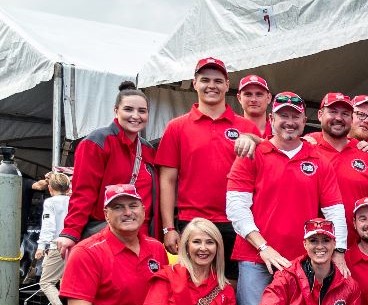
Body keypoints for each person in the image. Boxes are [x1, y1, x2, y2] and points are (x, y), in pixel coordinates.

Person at [225, 91, 346, 305]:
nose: (289, 122)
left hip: (303, 260)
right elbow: (236, 207)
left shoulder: (318, 158)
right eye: (283, 116)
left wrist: (339, 252)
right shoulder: (252, 152)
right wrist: (262, 245)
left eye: (295, 116)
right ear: (272, 119)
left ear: (302, 119)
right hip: (256, 256)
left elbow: (334, 209)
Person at [155, 57, 261, 274]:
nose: (211, 85)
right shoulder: (177, 127)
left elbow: (261, 174)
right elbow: (167, 180)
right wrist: (169, 228)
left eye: (218, 80)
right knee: (194, 287)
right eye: (205, 80)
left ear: (227, 84)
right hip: (193, 221)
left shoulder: (246, 127)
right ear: (194, 84)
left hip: (237, 222)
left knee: (233, 290)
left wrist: (256, 139)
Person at [56, 82, 155, 255]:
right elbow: (84, 192)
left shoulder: (147, 150)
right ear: (116, 110)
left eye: (142, 111)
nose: (135, 116)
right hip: (107, 235)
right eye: (128, 109)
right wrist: (71, 231)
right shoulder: (97, 142)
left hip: (143, 237)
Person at [305, 93, 368, 247]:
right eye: (332, 112)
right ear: (319, 115)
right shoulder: (305, 148)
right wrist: (249, 138)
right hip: (313, 250)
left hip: (358, 252)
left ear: (351, 119)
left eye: (345, 114)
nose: (338, 118)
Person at [35, 171, 71, 305]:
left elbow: (48, 226)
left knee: (46, 282)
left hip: (57, 245)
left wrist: (41, 246)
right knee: (65, 281)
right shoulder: (73, 201)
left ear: (50, 187)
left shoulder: (51, 203)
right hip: (72, 244)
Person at [236, 74, 272, 138]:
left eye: (259, 94)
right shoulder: (231, 130)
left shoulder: (278, 130)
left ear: (269, 98)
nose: (253, 99)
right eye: (248, 94)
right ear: (239, 98)